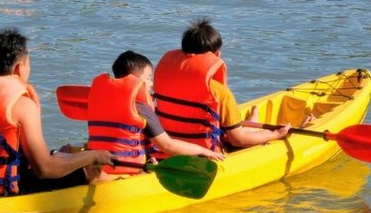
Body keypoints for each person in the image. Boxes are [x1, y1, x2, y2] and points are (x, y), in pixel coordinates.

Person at [0, 28, 114, 197]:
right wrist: (92, 156)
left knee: (57, 156)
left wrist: (63, 156)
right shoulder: (21, 104)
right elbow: (45, 169)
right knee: (91, 170)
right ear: (20, 67)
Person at [83, 50, 225, 180]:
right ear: (135, 80)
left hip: (101, 169)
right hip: (128, 172)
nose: (151, 84)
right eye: (148, 78)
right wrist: (205, 151)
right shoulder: (141, 107)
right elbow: (167, 145)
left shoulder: (101, 100)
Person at [153, 19, 291, 152]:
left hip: (166, 150)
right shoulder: (219, 92)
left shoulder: (160, 82)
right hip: (206, 156)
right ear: (217, 55)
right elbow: (238, 140)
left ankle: (252, 122)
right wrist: (277, 134)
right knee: (238, 134)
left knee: (230, 129)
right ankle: (269, 126)